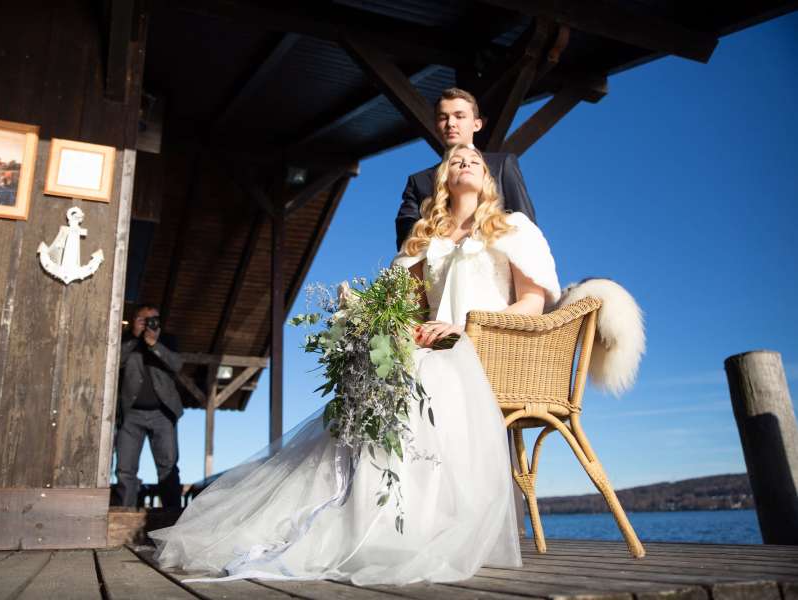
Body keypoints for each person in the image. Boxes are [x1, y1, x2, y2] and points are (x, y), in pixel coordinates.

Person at [150, 145, 561, 585]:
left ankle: (413, 523)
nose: (466, 161)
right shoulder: (428, 240)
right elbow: (409, 307)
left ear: (489, 179)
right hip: (433, 344)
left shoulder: (512, 229)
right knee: (379, 378)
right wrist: (379, 319)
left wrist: (465, 328)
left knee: (423, 378)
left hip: (486, 347)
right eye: (456, 160)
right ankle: (360, 515)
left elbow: (531, 303)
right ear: (443, 178)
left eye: (475, 160)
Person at [395, 87, 537, 251]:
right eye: (443, 117)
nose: (451, 123)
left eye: (459, 116)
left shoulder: (502, 165)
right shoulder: (418, 181)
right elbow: (406, 243)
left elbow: (527, 227)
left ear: (477, 124)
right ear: (436, 126)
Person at [115, 304, 185, 509]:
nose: (149, 324)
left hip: (163, 413)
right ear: (135, 321)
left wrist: (154, 344)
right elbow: (114, 362)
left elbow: (177, 364)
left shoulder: (167, 340)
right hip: (131, 415)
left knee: (168, 467)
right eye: (143, 320)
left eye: (153, 320)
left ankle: (172, 515)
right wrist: (134, 337)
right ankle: (124, 514)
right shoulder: (125, 340)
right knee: (125, 469)